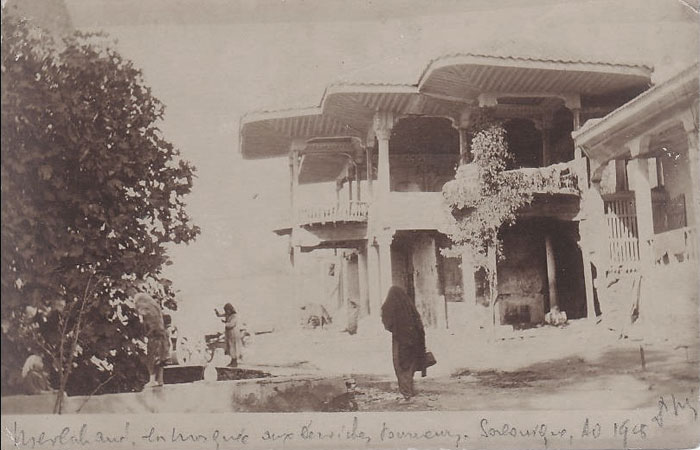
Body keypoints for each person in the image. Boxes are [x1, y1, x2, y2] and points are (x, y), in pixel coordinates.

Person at [381, 286, 426, 401]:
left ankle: (406, 392)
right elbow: (419, 324)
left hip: (400, 339)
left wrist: (394, 328)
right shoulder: (409, 306)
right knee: (410, 365)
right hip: (414, 339)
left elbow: (386, 318)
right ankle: (409, 389)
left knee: (400, 365)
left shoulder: (392, 305)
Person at [134, 293, 170, 388]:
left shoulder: (145, 311)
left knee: (152, 358)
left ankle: (152, 380)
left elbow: (146, 325)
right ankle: (160, 379)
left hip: (154, 337)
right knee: (161, 359)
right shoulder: (155, 309)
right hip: (162, 336)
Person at [215, 303, 242, 367]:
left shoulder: (234, 316)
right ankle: (232, 361)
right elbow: (219, 315)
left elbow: (231, 324)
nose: (226, 312)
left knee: (233, 348)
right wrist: (216, 312)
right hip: (229, 334)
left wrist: (225, 323)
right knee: (230, 348)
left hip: (234, 334)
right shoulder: (228, 315)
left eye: (227, 310)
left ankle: (234, 362)